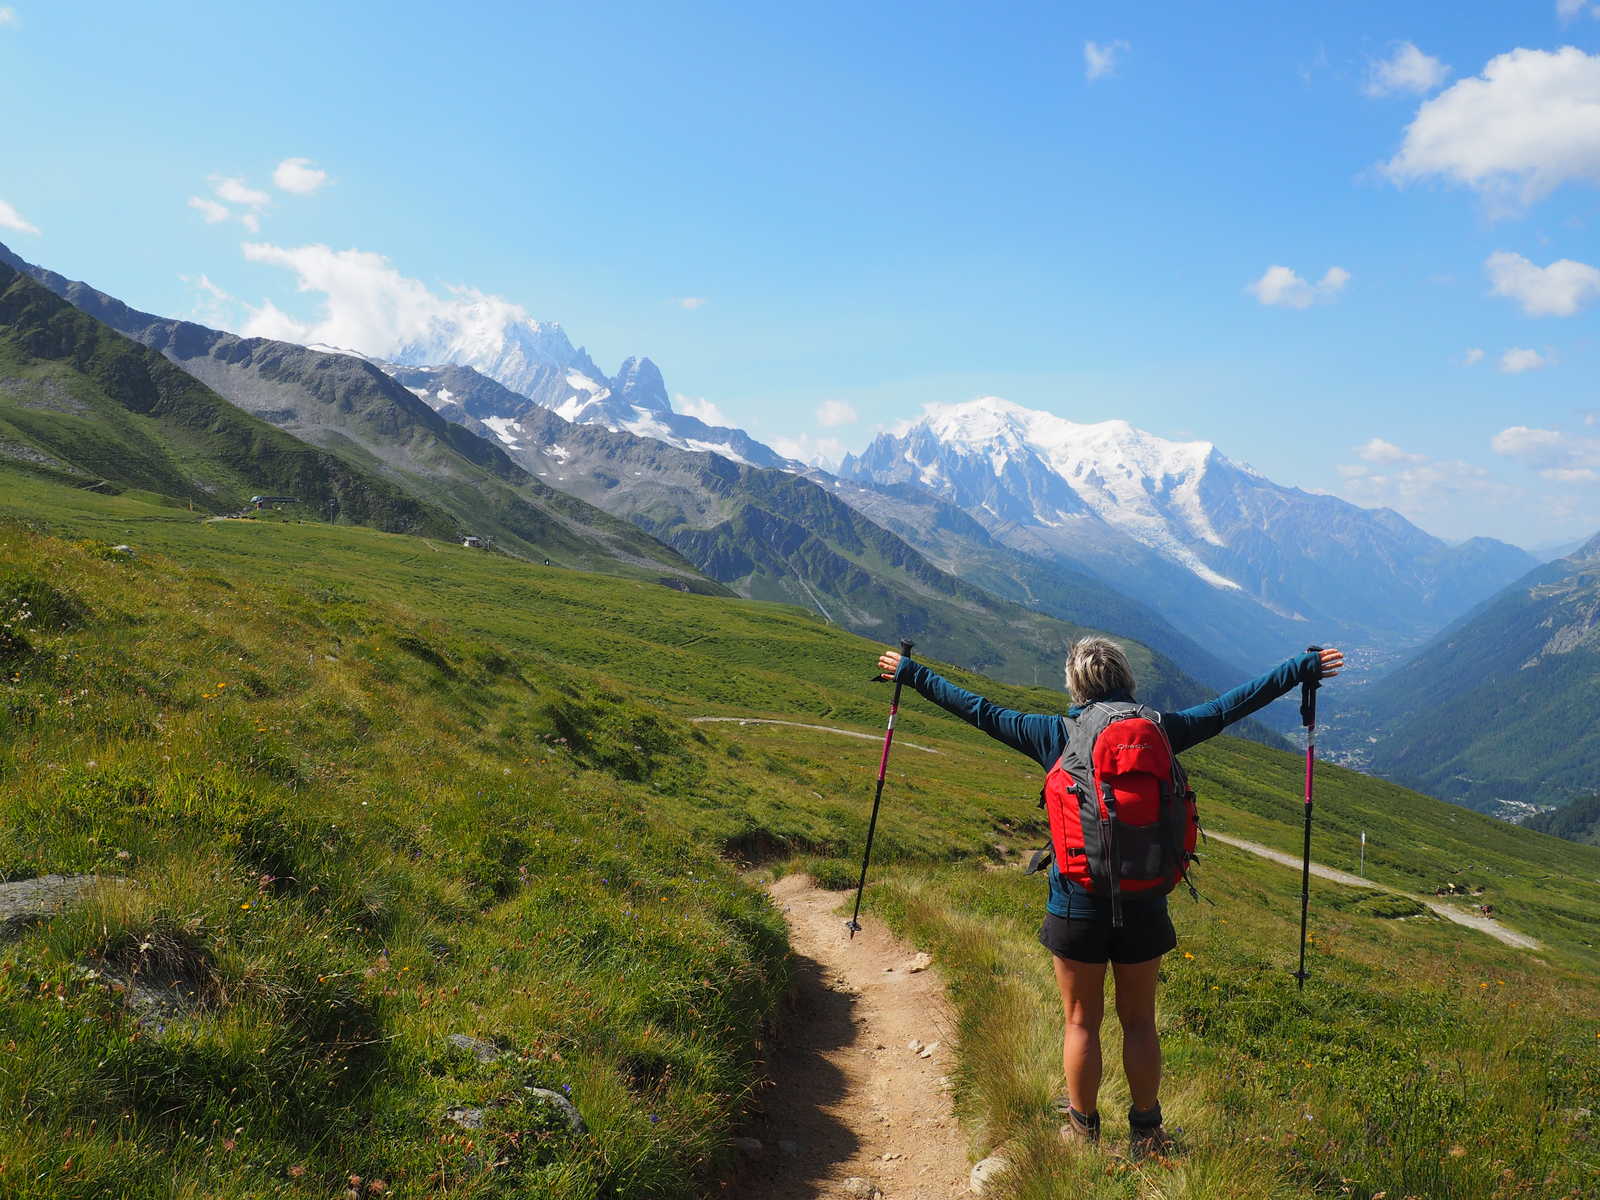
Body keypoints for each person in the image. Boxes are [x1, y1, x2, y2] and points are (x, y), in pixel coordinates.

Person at [874, 637, 1343, 1158]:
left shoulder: (1056, 733)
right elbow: (1233, 704)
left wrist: (911, 673)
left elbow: (979, 711)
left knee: (1081, 1021)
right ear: (1127, 681)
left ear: (1076, 686)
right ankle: (1147, 1133)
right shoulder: (1163, 732)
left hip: (1077, 898)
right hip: (1145, 899)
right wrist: (1300, 668)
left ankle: (1082, 1130)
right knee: (1140, 1021)